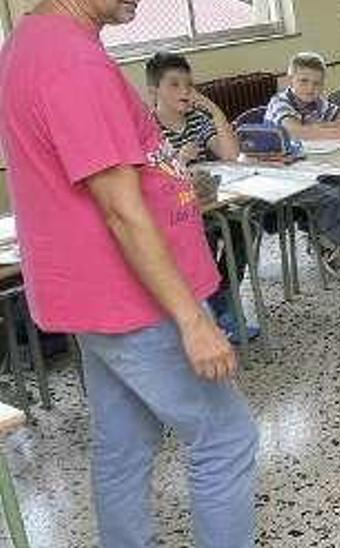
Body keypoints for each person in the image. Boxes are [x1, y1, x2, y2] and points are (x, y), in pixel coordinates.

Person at [0, 1, 258, 546]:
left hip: (96, 297)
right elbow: (119, 208)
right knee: (224, 437)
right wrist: (192, 320)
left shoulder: (36, 41)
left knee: (123, 444)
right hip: (135, 302)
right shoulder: (71, 62)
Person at [146, 51, 261, 343]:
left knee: (246, 224)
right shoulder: (148, 129)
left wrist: (214, 110)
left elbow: (231, 155)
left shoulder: (197, 119)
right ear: (154, 91)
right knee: (206, 235)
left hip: (209, 202)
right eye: (174, 85)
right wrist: (177, 162)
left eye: (188, 84)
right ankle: (216, 305)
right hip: (176, 216)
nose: (184, 91)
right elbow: (147, 181)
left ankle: (223, 296)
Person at [266, 52, 340, 277]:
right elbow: (296, 131)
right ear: (290, 81)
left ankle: (333, 242)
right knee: (333, 197)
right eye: (303, 81)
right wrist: (333, 131)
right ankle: (330, 245)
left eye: (316, 83)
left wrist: (321, 129)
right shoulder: (280, 102)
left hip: (317, 168)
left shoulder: (318, 104)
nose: (310, 88)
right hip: (284, 176)